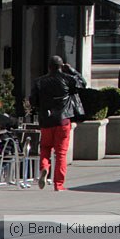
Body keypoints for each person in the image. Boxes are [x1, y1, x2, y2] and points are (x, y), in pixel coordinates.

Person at [29, 56, 85, 191]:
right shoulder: (68, 79)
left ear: (49, 67)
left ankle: (44, 168)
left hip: (46, 120)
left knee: (45, 148)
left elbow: (33, 101)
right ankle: (58, 184)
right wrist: (71, 70)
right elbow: (82, 83)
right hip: (63, 120)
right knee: (61, 153)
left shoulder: (39, 82)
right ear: (61, 66)